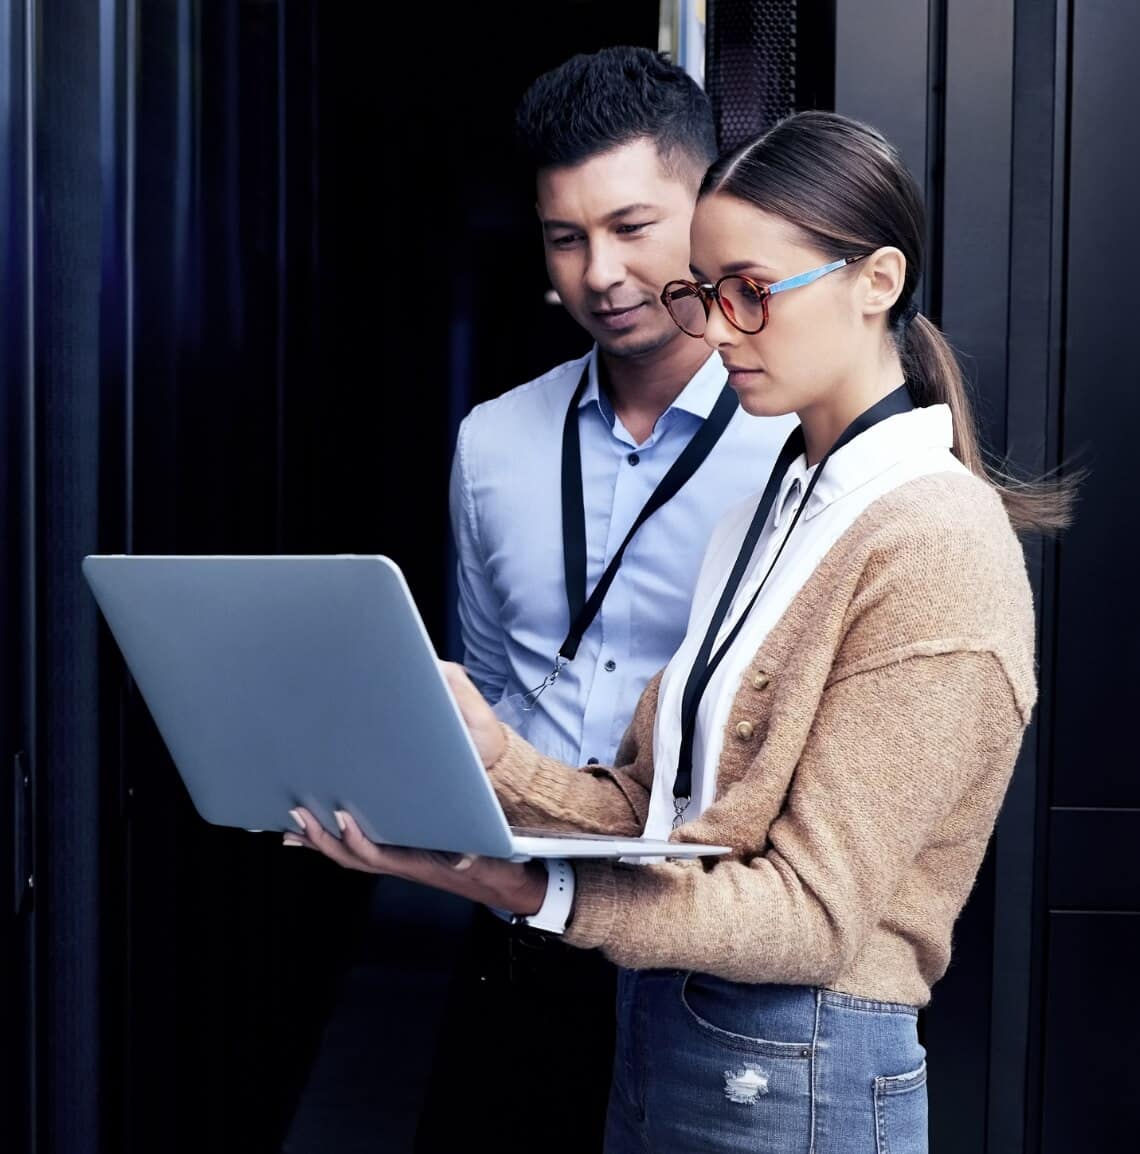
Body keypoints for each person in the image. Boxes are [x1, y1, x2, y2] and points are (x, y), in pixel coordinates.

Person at [286, 109, 1076, 1153]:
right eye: (706, 293)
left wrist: (525, 884)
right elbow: (657, 810)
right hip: (679, 1032)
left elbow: (810, 914)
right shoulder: (787, 498)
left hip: (803, 1066)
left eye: (751, 292)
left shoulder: (935, 538)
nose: (717, 328)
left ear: (875, 280)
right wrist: (494, 756)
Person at [416, 44, 795, 1153]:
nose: (601, 274)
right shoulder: (491, 442)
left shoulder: (794, 442)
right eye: (566, 236)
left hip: (708, 944)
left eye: (633, 227)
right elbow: (487, 683)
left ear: (712, 210)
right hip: (517, 929)